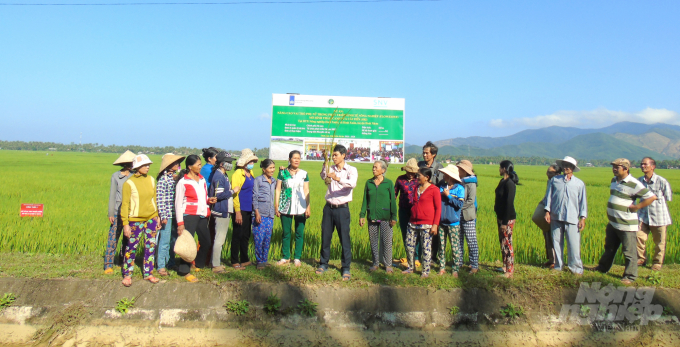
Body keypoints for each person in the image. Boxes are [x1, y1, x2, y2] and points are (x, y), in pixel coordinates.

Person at [595, 158, 657, 284]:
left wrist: (637, 207)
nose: (614, 169)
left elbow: (651, 197)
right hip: (613, 222)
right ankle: (602, 268)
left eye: (617, 167)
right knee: (609, 248)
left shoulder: (633, 183)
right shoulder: (614, 180)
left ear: (625, 168)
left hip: (627, 224)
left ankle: (630, 276)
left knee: (629, 251)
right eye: (613, 166)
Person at [316, 144, 358, 281]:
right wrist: (325, 161)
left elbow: (352, 184)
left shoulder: (351, 170)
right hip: (328, 208)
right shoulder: (330, 167)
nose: (334, 157)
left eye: (336, 155)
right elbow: (323, 176)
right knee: (325, 236)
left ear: (343, 155)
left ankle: (345, 267)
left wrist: (337, 178)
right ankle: (323, 263)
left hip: (342, 209)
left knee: (344, 238)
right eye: (332, 155)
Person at [120, 154, 161, 287]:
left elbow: (154, 199)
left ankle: (148, 273)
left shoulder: (151, 180)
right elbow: (125, 204)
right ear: (137, 167)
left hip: (151, 218)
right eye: (144, 165)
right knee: (131, 247)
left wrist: (157, 216)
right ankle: (127, 274)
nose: (147, 167)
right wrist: (125, 224)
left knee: (150, 246)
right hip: (135, 220)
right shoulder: (129, 183)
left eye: (148, 165)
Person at [175, 155, 216, 282]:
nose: (200, 166)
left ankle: (197, 263)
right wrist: (180, 223)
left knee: (206, 241)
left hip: (202, 214)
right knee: (188, 244)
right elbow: (178, 203)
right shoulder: (183, 182)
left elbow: (203, 197)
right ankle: (184, 270)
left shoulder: (202, 179)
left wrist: (209, 200)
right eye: (198, 164)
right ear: (189, 167)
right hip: (189, 215)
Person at [543, 156, 588, 275]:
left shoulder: (579, 184)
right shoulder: (555, 180)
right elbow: (549, 197)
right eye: (564, 165)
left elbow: (582, 202)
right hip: (556, 215)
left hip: (572, 218)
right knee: (556, 242)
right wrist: (547, 211)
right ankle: (558, 266)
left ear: (573, 168)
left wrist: (582, 218)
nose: (566, 167)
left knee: (573, 244)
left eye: (569, 165)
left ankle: (576, 268)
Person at [402, 168, 441, 278]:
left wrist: (435, 225)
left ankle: (425, 271)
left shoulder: (434, 190)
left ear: (427, 177)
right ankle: (411, 267)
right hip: (413, 221)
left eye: (419, 176)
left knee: (426, 247)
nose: (417, 177)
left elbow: (438, 208)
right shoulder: (416, 188)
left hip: (427, 223)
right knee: (409, 245)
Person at [359, 160, 397, 273]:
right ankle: (375, 263)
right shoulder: (369, 183)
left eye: (376, 167)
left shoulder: (388, 183)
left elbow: (393, 202)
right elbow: (365, 200)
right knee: (373, 240)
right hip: (372, 216)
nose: (373, 169)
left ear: (383, 170)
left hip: (385, 216)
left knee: (387, 241)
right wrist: (362, 215)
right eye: (373, 167)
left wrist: (394, 216)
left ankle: (388, 264)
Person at [637, 157, 673, 271]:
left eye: (645, 164)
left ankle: (657, 263)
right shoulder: (639, 181)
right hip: (643, 215)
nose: (643, 166)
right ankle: (640, 259)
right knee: (638, 236)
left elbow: (668, 197)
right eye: (642, 164)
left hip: (659, 216)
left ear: (653, 166)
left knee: (659, 242)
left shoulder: (661, 181)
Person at [275, 150, 310, 267]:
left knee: (299, 233)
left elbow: (306, 190)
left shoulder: (304, 174)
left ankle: (297, 258)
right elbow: (278, 189)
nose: (297, 160)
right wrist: (276, 205)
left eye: (298, 158)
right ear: (289, 159)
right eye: (294, 158)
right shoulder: (282, 173)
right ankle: (285, 257)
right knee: (286, 232)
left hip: (301, 207)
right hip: (285, 206)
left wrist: (308, 207)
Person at [105, 150, 135, 274]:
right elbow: (112, 195)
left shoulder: (135, 176)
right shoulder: (116, 176)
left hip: (131, 212)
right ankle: (108, 265)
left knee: (128, 239)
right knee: (113, 237)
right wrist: (110, 213)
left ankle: (123, 262)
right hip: (118, 211)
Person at [155, 153, 185, 276]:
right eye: (175, 163)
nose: (178, 165)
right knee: (165, 241)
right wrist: (163, 215)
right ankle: (161, 265)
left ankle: (171, 262)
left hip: (175, 214)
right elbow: (160, 198)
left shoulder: (174, 179)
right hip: (167, 214)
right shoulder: (163, 180)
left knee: (174, 240)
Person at [209, 152, 238, 273]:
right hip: (221, 210)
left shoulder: (223, 175)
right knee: (219, 238)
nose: (230, 164)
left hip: (224, 210)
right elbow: (218, 195)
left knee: (220, 238)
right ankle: (215, 265)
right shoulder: (219, 176)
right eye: (228, 162)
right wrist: (232, 191)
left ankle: (216, 262)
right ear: (222, 164)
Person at [231, 149, 258, 269]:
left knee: (246, 234)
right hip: (240, 209)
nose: (252, 163)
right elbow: (235, 194)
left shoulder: (250, 173)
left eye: (253, 161)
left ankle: (244, 258)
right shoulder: (238, 173)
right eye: (251, 161)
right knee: (237, 234)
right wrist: (237, 211)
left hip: (249, 208)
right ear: (245, 162)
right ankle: (234, 260)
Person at [436, 165, 465, 277]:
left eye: (445, 175)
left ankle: (455, 269)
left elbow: (459, 204)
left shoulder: (459, 189)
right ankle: (441, 268)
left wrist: (448, 196)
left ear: (450, 176)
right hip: (442, 222)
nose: (443, 176)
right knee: (441, 246)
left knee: (455, 247)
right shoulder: (442, 186)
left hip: (453, 223)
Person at [418, 141, 444, 262]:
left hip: (433, 204)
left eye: (427, 153)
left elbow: (441, 186)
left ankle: (433, 257)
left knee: (434, 231)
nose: (424, 155)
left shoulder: (439, 168)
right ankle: (420, 256)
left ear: (433, 154)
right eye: (423, 153)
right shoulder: (420, 165)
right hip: (420, 203)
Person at [531, 164, 561, 269]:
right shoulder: (550, 181)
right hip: (547, 212)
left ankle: (556, 261)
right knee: (547, 235)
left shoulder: (558, 183)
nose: (547, 174)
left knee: (554, 237)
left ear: (557, 173)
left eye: (550, 172)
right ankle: (551, 259)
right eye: (547, 171)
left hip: (553, 213)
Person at [394, 158, 421, 268]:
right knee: (405, 233)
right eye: (409, 172)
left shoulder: (419, 180)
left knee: (416, 234)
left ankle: (417, 258)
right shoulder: (400, 180)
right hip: (403, 210)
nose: (411, 175)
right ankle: (409, 256)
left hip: (415, 211)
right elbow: (394, 194)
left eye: (413, 173)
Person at [495, 160, 519, 278]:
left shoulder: (510, 183)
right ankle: (505, 265)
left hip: (507, 218)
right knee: (502, 242)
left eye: (500, 167)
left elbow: (509, 203)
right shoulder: (502, 181)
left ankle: (510, 270)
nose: (498, 169)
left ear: (504, 169)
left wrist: (504, 222)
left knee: (508, 242)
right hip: (500, 216)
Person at [253, 159, 277, 269]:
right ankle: (259, 261)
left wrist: (283, 172)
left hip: (270, 214)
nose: (272, 170)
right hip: (260, 214)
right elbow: (255, 197)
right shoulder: (258, 180)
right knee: (259, 238)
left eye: (273, 168)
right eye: (270, 168)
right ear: (264, 169)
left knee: (267, 238)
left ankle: (264, 259)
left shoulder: (274, 181)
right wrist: (256, 213)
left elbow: (282, 186)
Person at [456, 160, 479, 274]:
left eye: (460, 169)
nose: (458, 171)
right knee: (458, 240)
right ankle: (459, 263)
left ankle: (474, 265)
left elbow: (471, 200)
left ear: (465, 171)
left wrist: (459, 206)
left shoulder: (471, 183)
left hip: (468, 215)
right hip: (458, 215)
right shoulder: (458, 182)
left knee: (471, 240)